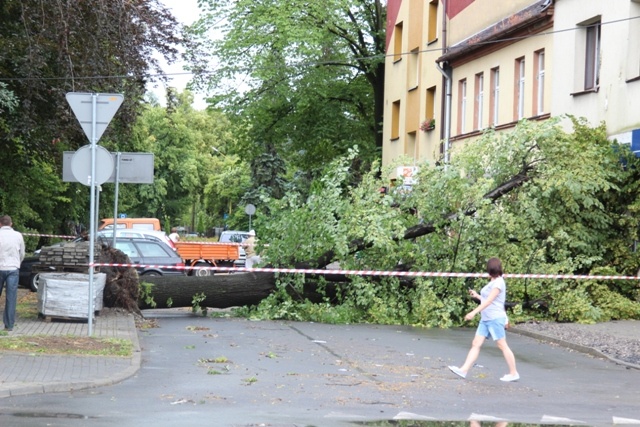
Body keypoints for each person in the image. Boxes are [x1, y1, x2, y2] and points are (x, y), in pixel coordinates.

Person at [448, 257, 520, 382]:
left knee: (502, 345)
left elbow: (490, 302)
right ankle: (463, 370)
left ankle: (513, 373)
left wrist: (473, 312)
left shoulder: (498, 283)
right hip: (486, 319)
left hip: (495, 318)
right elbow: (487, 300)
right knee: (476, 343)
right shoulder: (492, 282)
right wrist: (477, 295)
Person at [0, 215, 25, 332]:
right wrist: (17, 263)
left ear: (0, 224)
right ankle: (9, 325)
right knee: (11, 298)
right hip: (13, 268)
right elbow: (22, 253)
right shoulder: (18, 235)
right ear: (11, 224)